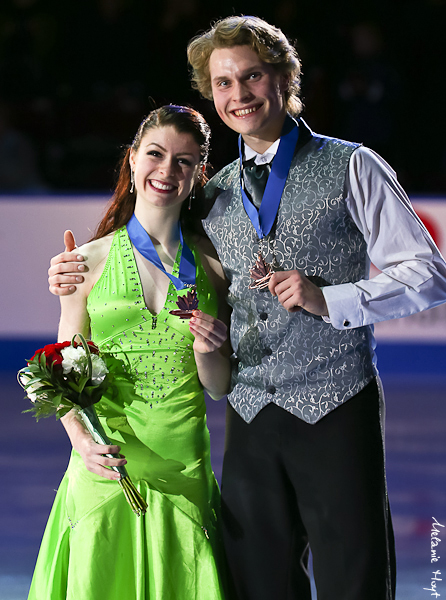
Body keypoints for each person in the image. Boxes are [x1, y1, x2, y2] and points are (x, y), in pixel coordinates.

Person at [48, 16, 446, 600]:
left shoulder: (352, 165)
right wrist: (73, 267)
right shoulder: (212, 192)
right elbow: (149, 231)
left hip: (336, 405)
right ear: (211, 94)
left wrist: (330, 297)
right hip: (251, 416)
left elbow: (429, 274)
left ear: (286, 78)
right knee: (258, 582)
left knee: (351, 580)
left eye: (253, 76)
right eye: (224, 83)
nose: (239, 95)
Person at [30, 105, 231, 600]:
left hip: (183, 467)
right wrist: (78, 438)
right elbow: (60, 366)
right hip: (105, 462)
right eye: (156, 154)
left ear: (198, 174)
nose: (167, 170)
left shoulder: (215, 266)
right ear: (133, 160)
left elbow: (219, 386)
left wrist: (208, 350)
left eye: (184, 161)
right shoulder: (85, 262)